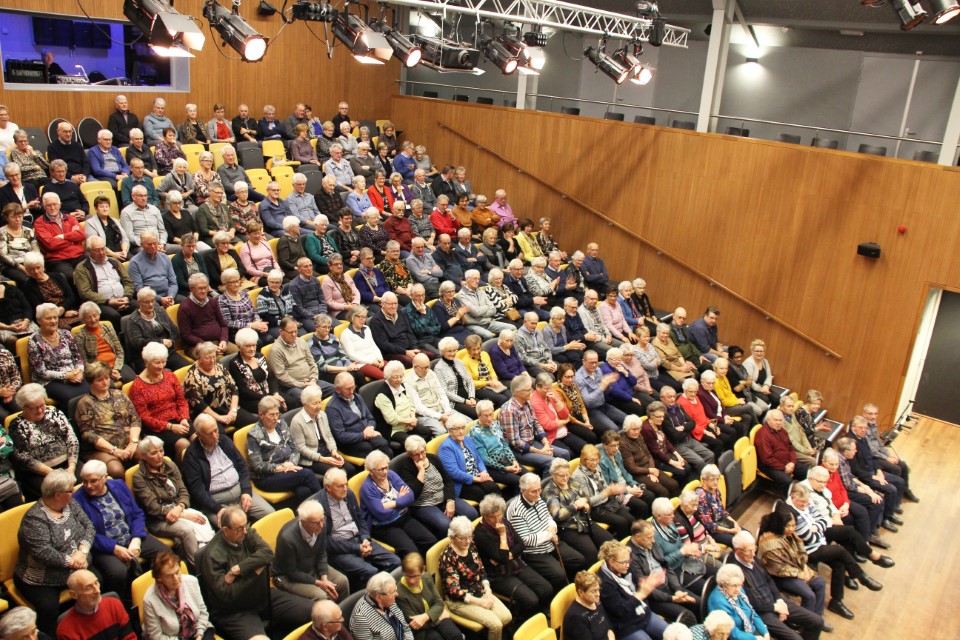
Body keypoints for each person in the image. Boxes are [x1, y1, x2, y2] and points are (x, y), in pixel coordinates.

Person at [200, 505, 313, 640]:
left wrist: (239, 568)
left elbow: (267, 553)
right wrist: (254, 572)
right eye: (239, 529)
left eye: (245, 525)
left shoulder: (247, 532)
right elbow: (228, 594)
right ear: (225, 530)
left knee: (316, 612)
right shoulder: (212, 555)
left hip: (263, 596)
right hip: (235, 611)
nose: (244, 531)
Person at [74, 459, 169, 603]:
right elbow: (87, 533)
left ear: (105, 477)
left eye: (93, 481)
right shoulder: (78, 499)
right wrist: (114, 548)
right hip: (104, 548)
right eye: (84, 481)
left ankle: (160, 595)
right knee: (118, 572)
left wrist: (136, 540)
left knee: (165, 555)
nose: (88, 486)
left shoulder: (118, 485)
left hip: (131, 536)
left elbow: (137, 514)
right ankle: (120, 605)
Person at [14, 470, 94, 638]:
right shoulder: (34, 519)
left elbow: (88, 527)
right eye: (70, 490)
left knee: (96, 582)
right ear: (58, 494)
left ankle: (86, 627)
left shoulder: (70, 504)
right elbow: (44, 552)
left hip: (73, 566)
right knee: (49, 608)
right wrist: (74, 561)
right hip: (41, 578)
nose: (74, 492)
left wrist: (82, 552)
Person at [133, 436, 213, 569]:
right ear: (144, 456)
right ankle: (198, 568)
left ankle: (209, 558)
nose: (160, 456)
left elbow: (183, 492)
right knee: (186, 530)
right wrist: (183, 515)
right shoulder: (139, 477)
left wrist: (180, 508)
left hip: (178, 509)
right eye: (154, 453)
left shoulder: (169, 465)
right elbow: (154, 508)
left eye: (161, 451)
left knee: (201, 518)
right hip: (158, 520)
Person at [314, 468, 401, 588]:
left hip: (359, 539)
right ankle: (373, 593)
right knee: (372, 572)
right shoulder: (318, 506)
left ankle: (387, 590)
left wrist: (365, 538)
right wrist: (356, 548)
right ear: (328, 487)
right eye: (340, 486)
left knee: (396, 562)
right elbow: (326, 542)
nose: (345, 488)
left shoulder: (348, 494)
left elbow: (360, 519)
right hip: (339, 549)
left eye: (346, 484)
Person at [728, 530, 824, 640]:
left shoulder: (753, 559)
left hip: (774, 601)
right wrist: (775, 607)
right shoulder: (733, 570)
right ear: (737, 550)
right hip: (760, 612)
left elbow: (769, 580)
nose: (753, 554)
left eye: (754, 549)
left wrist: (779, 600)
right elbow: (749, 602)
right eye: (748, 551)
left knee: (817, 621)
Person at [182, 414, 275, 524]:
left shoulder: (224, 440)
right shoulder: (191, 455)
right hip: (217, 502)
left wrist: (246, 491)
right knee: (235, 527)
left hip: (240, 491)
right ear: (199, 435)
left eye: (215, 430)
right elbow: (198, 490)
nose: (215, 436)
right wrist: (217, 508)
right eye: (210, 433)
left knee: (271, 515)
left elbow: (242, 466)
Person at [438, 516, 513, 640]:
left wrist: (487, 590)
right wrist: (480, 602)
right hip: (460, 601)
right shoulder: (447, 558)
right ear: (452, 537)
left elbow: (481, 569)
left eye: (470, 536)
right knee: (496, 625)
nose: (468, 541)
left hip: (479, 591)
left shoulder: (471, 545)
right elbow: (454, 591)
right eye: (463, 538)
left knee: (507, 617)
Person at [505, 473, 585, 583]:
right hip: (534, 552)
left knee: (578, 560)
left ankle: (572, 585)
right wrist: (549, 535)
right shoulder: (516, 511)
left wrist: (552, 527)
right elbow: (526, 540)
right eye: (534, 491)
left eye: (539, 489)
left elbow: (548, 518)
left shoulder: (537, 498)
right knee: (559, 575)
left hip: (551, 541)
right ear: (522, 491)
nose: (538, 494)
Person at [396, 435, 478, 538]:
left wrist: (450, 501)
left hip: (443, 497)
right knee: (446, 525)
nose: (421, 457)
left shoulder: (433, 458)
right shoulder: (405, 467)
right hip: (424, 504)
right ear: (409, 455)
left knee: (472, 513)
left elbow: (447, 480)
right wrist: (421, 471)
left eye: (422, 452)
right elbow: (413, 494)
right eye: (416, 454)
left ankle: (469, 539)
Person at [756, 509, 829, 620]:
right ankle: (806, 622)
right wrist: (799, 574)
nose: (791, 529)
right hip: (778, 576)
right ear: (779, 524)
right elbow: (779, 568)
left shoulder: (788, 534)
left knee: (820, 582)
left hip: (796, 568)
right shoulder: (769, 543)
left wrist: (804, 567)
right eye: (788, 526)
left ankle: (818, 617)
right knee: (809, 595)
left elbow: (801, 551)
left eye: (793, 525)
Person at [360, 451, 437, 556]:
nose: (385, 471)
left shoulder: (391, 475)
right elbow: (382, 514)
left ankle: (424, 564)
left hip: (404, 517)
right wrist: (401, 500)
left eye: (386, 467)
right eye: (381, 469)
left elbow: (410, 496)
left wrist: (392, 503)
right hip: (385, 526)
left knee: (430, 540)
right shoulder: (367, 488)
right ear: (371, 471)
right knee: (411, 551)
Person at [273, 498, 350, 601]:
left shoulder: (321, 524)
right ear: (303, 522)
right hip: (287, 577)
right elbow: (292, 573)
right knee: (321, 596)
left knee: (342, 581)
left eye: (322, 519)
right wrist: (319, 583)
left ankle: (341, 610)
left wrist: (324, 578)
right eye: (316, 523)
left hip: (311, 566)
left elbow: (322, 553)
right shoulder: (287, 538)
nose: (321, 525)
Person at [247, 396, 321, 501]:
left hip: (288, 469)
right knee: (307, 474)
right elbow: (258, 466)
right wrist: (281, 467)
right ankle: (326, 505)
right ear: (261, 415)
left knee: (304, 491)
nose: (275, 418)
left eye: (277, 414)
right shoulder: (254, 435)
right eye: (271, 415)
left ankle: (310, 511)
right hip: (267, 477)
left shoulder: (281, 424)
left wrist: (291, 463)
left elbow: (295, 449)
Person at [74, 362, 140, 479]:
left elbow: (135, 419)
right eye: (100, 380)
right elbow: (88, 434)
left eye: (107, 378)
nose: (105, 382)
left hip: (129, 442)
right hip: (102, 449)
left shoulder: (119, 394)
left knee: (149, 455)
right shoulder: (85, 403)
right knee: (116, 470)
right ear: (91, 382)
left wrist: (133, 442)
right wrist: (114, 450)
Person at [626, 520, 699, 624]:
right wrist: (672, 598)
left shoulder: (650, 543)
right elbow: (646, 589)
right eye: (649, 538)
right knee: (687, 616)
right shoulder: (630, 556)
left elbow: (666, 567)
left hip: (668, 586)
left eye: (653, 537)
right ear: (638, 537)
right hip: (655, 597)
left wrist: (677, 589)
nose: (653, 541)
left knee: (699, 603)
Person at [129, 342, 192, 458]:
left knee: (200, 437)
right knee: (184, 445)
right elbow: (144, 417)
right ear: (146, 362)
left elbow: (181, 400)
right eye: (157, 363)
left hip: (178, 419)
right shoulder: (137, 387)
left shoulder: (170, 376)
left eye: (164, 362)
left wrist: (184, 418)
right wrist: (170, 427)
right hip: (157, 428)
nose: (161, 366)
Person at [543, 458, 615, 560]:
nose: (565, 478)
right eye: (561, 475)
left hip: (583, 519)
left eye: (567, 474)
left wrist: (585, 502)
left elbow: (585, 496)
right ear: (553, 475)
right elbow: (557, 515)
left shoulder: (571, 481)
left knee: (609, 541)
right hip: (568, 527)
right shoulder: (549, 492)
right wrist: (575, 506)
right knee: (591, 552)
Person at [597, 540, 670, 640]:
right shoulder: (604, 583)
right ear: (611, 562)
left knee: (673, 634)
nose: (628, 565)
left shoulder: (626, 569)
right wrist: (641, 594)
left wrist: (647, 585)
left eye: (628, 561)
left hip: (642, 613)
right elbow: (621, 611)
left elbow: (640, 586)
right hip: (626, 626)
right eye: (624, 562)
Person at [499, 375, 572, 473]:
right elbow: (515, 442)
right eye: (528, 390)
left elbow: (536, 424)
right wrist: (540, 452)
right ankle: (549, 483)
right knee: (551, 462)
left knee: (565, 454)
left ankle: (562, 479)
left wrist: (546, 444)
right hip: (519, 451)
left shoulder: (527, 403)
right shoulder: (509, 411)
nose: (531, 392)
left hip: (532, 442)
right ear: (518, 392)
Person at [27, 303, 89, 408]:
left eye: (55, 317)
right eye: (48, 318)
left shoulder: (66, 334)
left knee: (90, 393)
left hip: (73, 375)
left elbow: (78, 357)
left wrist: (79, 371)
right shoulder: (33, 341)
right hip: (49, 381)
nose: (53, 321)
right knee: (72, 398)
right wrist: (66, 375)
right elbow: (41, 371)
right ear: (39, 320)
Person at [142, 550, 215, 640]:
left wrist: (199, 635)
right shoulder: (150, 600)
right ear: (159, 578)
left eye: (177, 572)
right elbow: (156, 636)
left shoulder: (192, 581)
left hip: (197, 630)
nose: (176, 579)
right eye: (169, 576)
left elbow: (203, 613)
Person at [572, 444, 641, 537]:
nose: (595, 463)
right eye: (591, 460)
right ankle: (620, 543)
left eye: (597, 459)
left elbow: (605, 486)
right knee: (622, 522)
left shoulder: (597, 467)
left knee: (631, 519)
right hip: (595, 509)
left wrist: (618, 490)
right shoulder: (579, 476)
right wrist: (606, 493)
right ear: (584, 460)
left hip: (608, 502)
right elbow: (588, 501)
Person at [182, 341, 254, 429]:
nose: (212, 361)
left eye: (214, 356)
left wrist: (233, 410)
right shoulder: (192, 376)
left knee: (254, 424)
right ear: (199, 358)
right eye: (208, 358)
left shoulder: (219, 367)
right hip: (208, 415)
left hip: (228, 408)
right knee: (217, 434)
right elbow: (199, 404)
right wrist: (219, 418)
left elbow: (234, 388)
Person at [651, 498, 715, 595]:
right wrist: (682, 552)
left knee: (717, 574)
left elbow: (679, 544)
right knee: (708, 589)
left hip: (686, 560)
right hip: (674, 571)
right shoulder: (653, 537)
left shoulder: (670, 524)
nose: (673, 516)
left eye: (673, 513)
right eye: (669, 515)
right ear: (658, 516)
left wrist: (689, 550)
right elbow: (662, 563)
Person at [395, 552, 461, 640]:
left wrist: (426, 616)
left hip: (433, 618)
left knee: (457, 636)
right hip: (422, 631)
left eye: (415, 576)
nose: (411, 581)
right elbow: (414, 624)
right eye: (408, 576)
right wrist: (439, 617)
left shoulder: (426, 578)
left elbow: (439, 603)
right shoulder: (399, 592)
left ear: (423, 570)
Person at [56, 568, 136, 640]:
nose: (97, 591)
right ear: (74, 595)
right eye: (88, 588)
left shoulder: (114, 605)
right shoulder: (66, 630)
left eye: (96, 583)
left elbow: (130, 637)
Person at [327, 371, 392, 458]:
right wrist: (363, 435)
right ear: (338, 389)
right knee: (377, 452)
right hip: (351, 442)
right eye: (348, 389)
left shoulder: (357, 397)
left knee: (384, 444)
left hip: (367, 433)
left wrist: (370, 427)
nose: (351, 391)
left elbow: (370, 418)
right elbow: (341, 436)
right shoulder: (332, 408)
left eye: (353, 387)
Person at [74, 236, 134, 328]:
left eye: (103, 249)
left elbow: (128, 282)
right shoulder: (82, 268)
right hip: (101, 303)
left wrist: (127, 297)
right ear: (89, 251)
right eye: (97, 250)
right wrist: (108, 301)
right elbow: (85, 292)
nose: (102, 253)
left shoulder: (114, 262)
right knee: (113, 315)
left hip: (124, 299)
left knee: (139, 306)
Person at [862, 402, 918, 502]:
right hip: (873, 458)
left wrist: (889, 454)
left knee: (903, 465)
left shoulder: (874, 425)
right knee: (896, 469)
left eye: (875, 414)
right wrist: (886, 458)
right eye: (870, 414)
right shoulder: (863, 428)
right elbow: (872, 451)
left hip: (880, 455)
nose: (873, 416)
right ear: (864, 414)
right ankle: (893, 497)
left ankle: (905, 491)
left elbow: (879, 443)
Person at [269, 315, 327, 406]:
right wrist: (303, 384)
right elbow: (281, 376)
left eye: (296, 331)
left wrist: (313, 380)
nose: (294, 335)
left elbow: (312, 363)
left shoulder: (301, 341)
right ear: (281, 331)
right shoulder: (276, 350)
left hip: (311, 381)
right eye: (290, 332)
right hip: (293, 387)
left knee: (334, 389)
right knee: (310, 399)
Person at [178, 274, 239, 359]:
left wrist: (223, 340)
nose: (203, 291)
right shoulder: (185, 307)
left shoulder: (212, 301)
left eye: (205, 287)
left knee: (240, 354)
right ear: (191, 289)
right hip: (197, 345)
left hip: (218, 341)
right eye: (200, 288)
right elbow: (186, 335)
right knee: (218, 360)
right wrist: (207, 345)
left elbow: (223, 325)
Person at [469, 400, 525, 491]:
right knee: (521, 482)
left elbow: (504, 444)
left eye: (491, 414)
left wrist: (514, 461)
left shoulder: (495, 423)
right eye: (486, 415)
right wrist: (506, 469)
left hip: (506, 460)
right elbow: (485, 459)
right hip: (492, 468)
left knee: (528, 476)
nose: (489, 418)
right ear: (479, 416)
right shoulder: (475, 432)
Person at [620, 415, 680, 498]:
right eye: (634, 429)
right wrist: (650, 471)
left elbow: (648, 455)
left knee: (674, 484)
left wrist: (652, 470)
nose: (637, 432)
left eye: (638, 429)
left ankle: (675, 504)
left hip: (650, 468)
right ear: (627, 429)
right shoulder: (623, 444)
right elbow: (632, 468)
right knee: (663, 492)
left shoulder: (639, 436)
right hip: (637, 474)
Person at [706, 564, 770, 640]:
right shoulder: (718, 601)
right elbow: (732, 633)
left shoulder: (739, 591)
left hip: (750, 631)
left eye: (740, 585)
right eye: (734, 586)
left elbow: (752, 613)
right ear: (724, 585)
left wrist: (765, 632)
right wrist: (755, 638)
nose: (738, 589)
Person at [74, 303, 135, 382]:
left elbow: (119, 351)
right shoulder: (80, 335)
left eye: (95, 315)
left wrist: (116, 369)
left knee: (132, 380)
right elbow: (84, 362)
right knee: (107, 385)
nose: (93, 319)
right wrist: (108, 371)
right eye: (88, 317)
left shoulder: (107, 327)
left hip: (117, 364)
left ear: (99, 314)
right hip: (97, 370)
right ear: (83, 319)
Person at [22, 252, 81, 330]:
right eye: (32, 269)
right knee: (67, 329)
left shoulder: (57, 276)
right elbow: (39, 308)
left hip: (70, 310)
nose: (36, 271)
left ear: (43, 266)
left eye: (38, 267)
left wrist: (63, 308)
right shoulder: (28, 286)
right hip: (51, 318)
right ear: (27, 271)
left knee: (87, 321)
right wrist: (61, 313)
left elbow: (71, 296)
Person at [755, 410, 809, 493]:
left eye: (780, 420)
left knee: (806, 471)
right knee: (788, 482)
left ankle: (803, 493)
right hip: (770, 466)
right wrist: (784, 467)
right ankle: (790, 497)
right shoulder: (762, 435)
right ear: (768, 420)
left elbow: (790, 448)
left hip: (787, 462)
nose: (778, 423)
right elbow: (767, 459)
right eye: (775, 420)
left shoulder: (782, 431)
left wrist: (792, 462)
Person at [350, 572, 413, 640]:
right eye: (393, 592)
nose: (397, 594)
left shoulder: (389, 600)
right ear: (379, 597)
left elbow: (405, 628)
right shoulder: (361, 617)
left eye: (395, 589)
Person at [641, 402, 694, 483]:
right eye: (659, 417)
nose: (662, 419)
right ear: (651, 416)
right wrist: (674, 463)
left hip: (665, 454)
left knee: (687, 467)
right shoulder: (646, 429)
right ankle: (677, 487)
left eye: (663, 416)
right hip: (657, 459)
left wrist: (678, 455)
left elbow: (666, 441)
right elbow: (656, 452)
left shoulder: (658, 423)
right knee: (681, 471)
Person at [694, 465, 743, 548]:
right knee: (739, 542)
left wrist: (735, 523)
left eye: (717, 479)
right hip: (712, 531)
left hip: (722, 522)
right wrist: (730, 531)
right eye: (712, 479)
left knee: (746, 534)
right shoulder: (701, 496)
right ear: (704, 480)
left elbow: (723, 511)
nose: (716, 482)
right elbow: (710, 525)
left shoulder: (715, 490)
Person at [217, 268, 268, 345]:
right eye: (233, 282)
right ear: (225, 284)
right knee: (258, 343)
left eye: (237, 281)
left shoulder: (244, 294)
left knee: (269, 339)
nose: (236, 284)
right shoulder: (222, 300)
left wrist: (258, 322)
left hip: (252, 327)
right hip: (238, 332)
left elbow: (253, 311)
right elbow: (228, 322)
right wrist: (250, 325)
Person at [128, 231, 179, 304]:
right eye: (149, 244)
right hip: (149, 298)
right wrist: (160, 299)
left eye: (155, 243)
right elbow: (139, 289)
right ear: (141, 245)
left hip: (169, 295)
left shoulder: (165, 257)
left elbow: (173, 282)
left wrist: (171, 296)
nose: (153, 246)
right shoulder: (134, 262)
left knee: (186, 304)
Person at [565, 571, 616, 640]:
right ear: (581, 592)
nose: (598, 594)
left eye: (598, 589)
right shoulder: (575, 618)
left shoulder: (594, 601)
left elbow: (608, 626)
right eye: (593, 591)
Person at [0, 202, 39, 287]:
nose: (17, 219)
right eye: (13, 217)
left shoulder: (28, 231)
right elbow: (3, 255)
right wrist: (21, 267)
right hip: (10, 265)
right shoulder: (1, 232)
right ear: (6, 218)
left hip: (29, 263)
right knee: (27, 280)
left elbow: (36, 251)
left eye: (20, 216)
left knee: (44, 277)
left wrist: (35, 265)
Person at [743, 340, 776, 406]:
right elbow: (749, 381)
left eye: (761, 351)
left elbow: (769, 375)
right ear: (752, 351)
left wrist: (766, 386)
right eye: (757, 351)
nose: (759, 353)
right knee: (765, 399)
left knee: (777, 398)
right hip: (752, 389)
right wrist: (761, 389)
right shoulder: (748, 363)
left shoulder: (765, 361)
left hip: (764, 387)